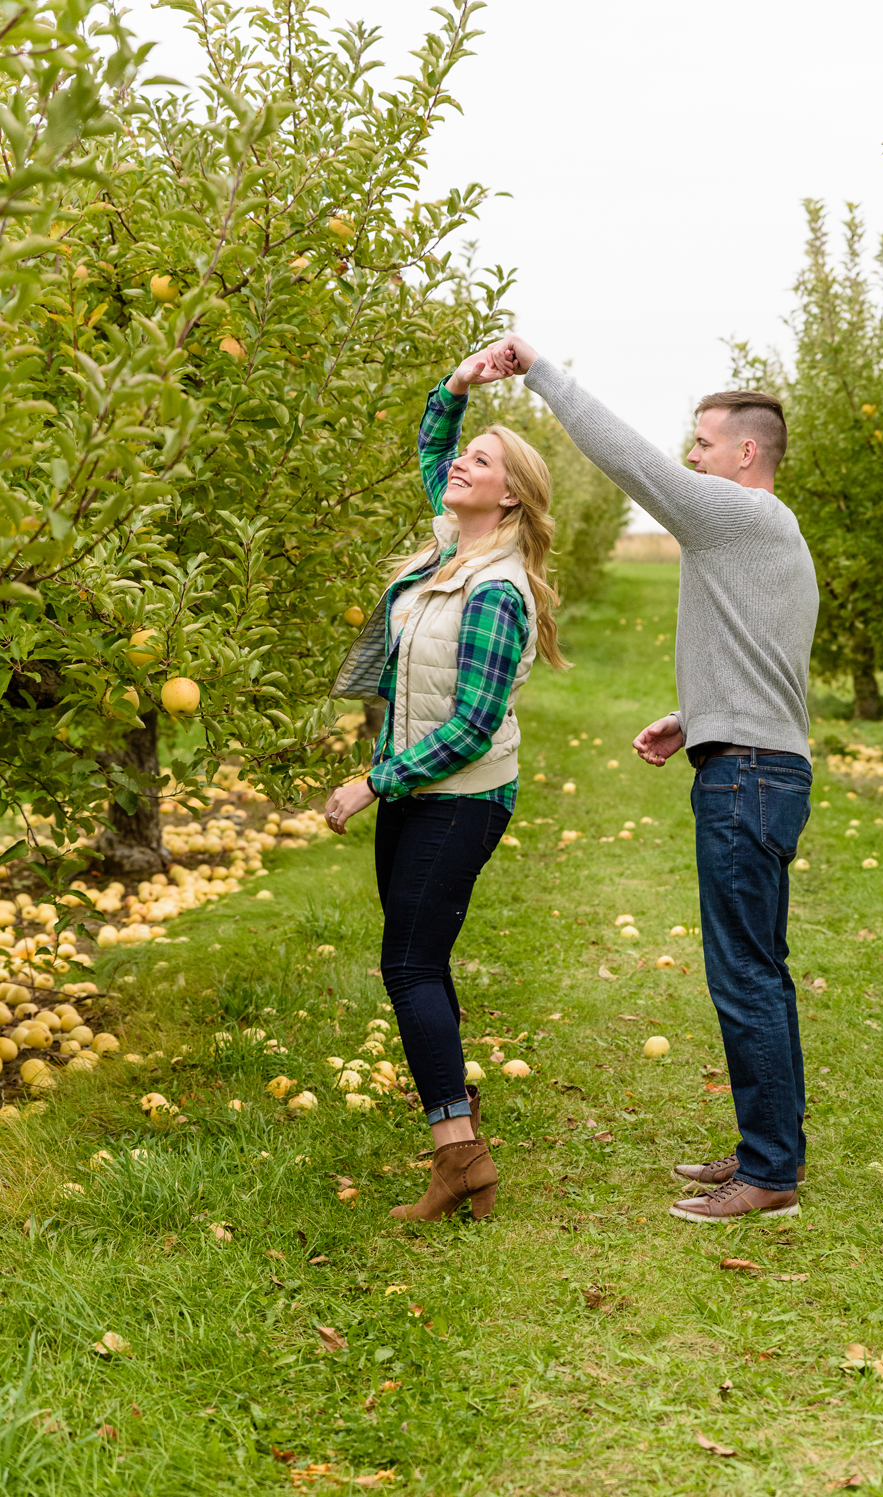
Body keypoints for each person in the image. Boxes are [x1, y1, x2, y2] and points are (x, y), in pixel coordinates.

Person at [476, 332, 817, 1225]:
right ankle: (767, 1148)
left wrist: (541, 371)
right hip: (758, 762)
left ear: (745, 452)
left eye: (701, 444)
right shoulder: (768, 533)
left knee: (743, 973)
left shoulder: (739, 513)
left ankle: (771, 1172)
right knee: (761, 969)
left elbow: (623, 457)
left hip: (746, 779)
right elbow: (765, 659)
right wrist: (695, 715)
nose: (688, 458)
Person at [323, 348, 569, 1222]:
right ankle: (460, 1139)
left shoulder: (497, 590)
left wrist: (370, 782)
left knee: (409, 962)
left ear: (508, 496)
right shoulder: (446, 545)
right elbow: (434, 450)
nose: (462, 464)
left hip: (461, 797)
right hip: (420, 794)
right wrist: (460, 384)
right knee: (420, 960)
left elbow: (468, 726)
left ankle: (458, 1153)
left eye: (484, 459)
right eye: (469, 455)